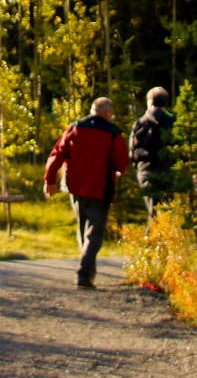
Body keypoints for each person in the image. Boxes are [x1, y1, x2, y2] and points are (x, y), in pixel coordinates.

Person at [44, 96, 128, 288]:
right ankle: (84, 274)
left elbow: (58, 152)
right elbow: (122, 162)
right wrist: (117, 171)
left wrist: (50, 179)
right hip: (101, 188)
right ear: (107, 113)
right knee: (95, 234)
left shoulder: (75, 127)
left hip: (76, 187)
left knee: (83, 230)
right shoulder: (113, 132)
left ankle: (87, 272)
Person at [130, 86, 174, 220]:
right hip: (169, 172)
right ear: (166, 103)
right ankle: (161, 239)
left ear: (149, 102)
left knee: (153, 213)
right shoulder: (173, 121)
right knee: (167, 214)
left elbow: (133, 151)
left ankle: (151, 239)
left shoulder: (140, 123)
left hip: (146, 172)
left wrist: (138, 167)